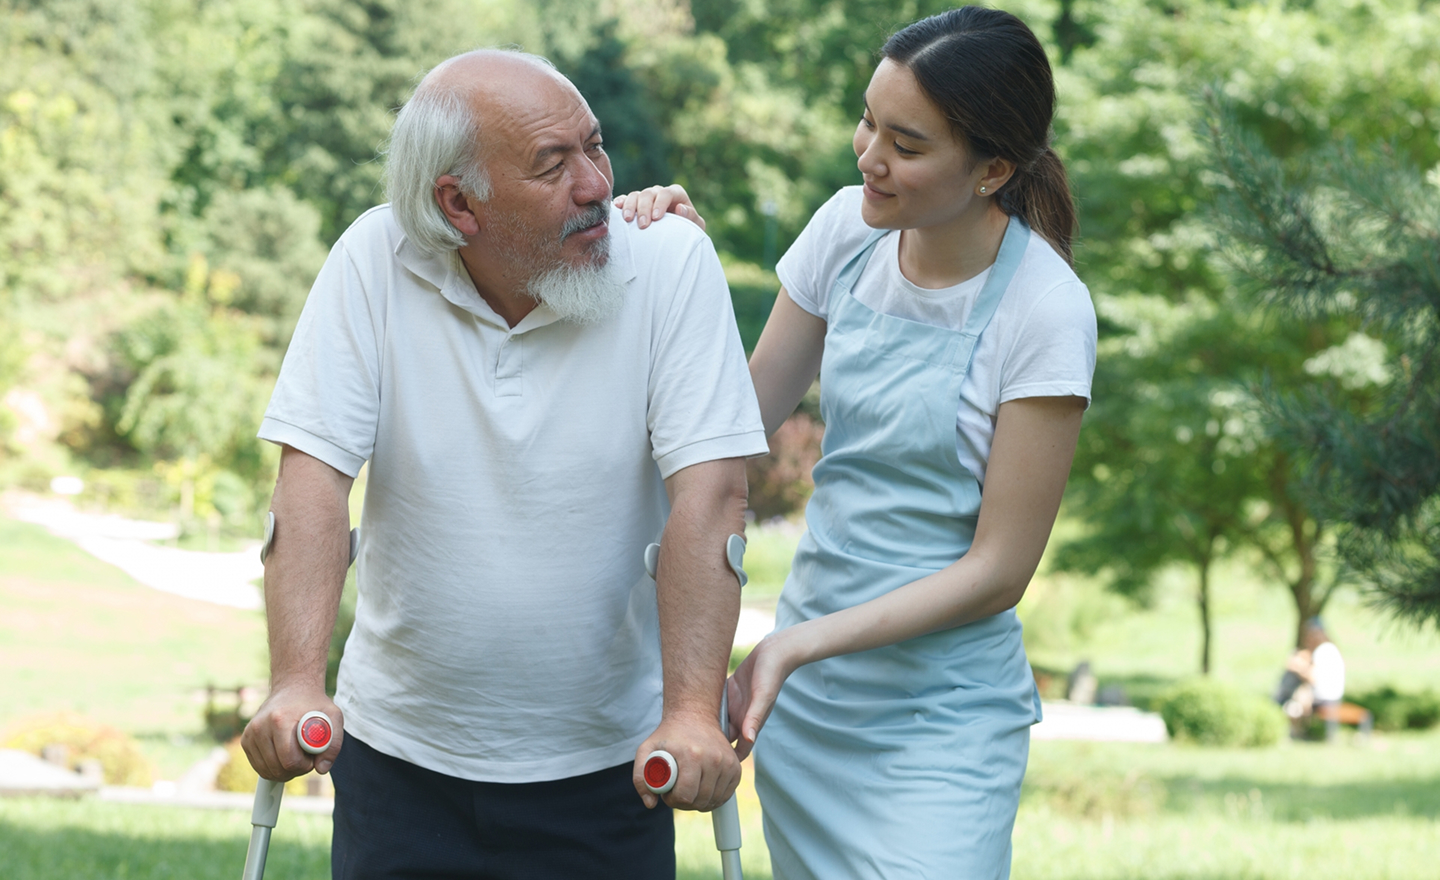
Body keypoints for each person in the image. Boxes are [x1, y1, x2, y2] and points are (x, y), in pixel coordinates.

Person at [240, 49, 769, 879]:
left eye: (594, 148)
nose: (595, 183)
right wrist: (296, 682)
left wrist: (694, 713)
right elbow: (311, 477)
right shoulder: (371, 261)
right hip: (400, 760)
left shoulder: (669, 263)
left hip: (612, 768)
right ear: (459, 203)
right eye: (552, 166)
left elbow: (712, 497)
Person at [617, 7, 1096, 877]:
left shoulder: (1046, 310)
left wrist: (796, 643)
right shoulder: (847, 231)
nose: (869, 154)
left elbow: (999, 573)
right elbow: (736, 418)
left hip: (937, 720)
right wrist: (672, 267)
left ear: (992, 170)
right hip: (809, 709)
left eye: (906, 145)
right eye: (869, 120)